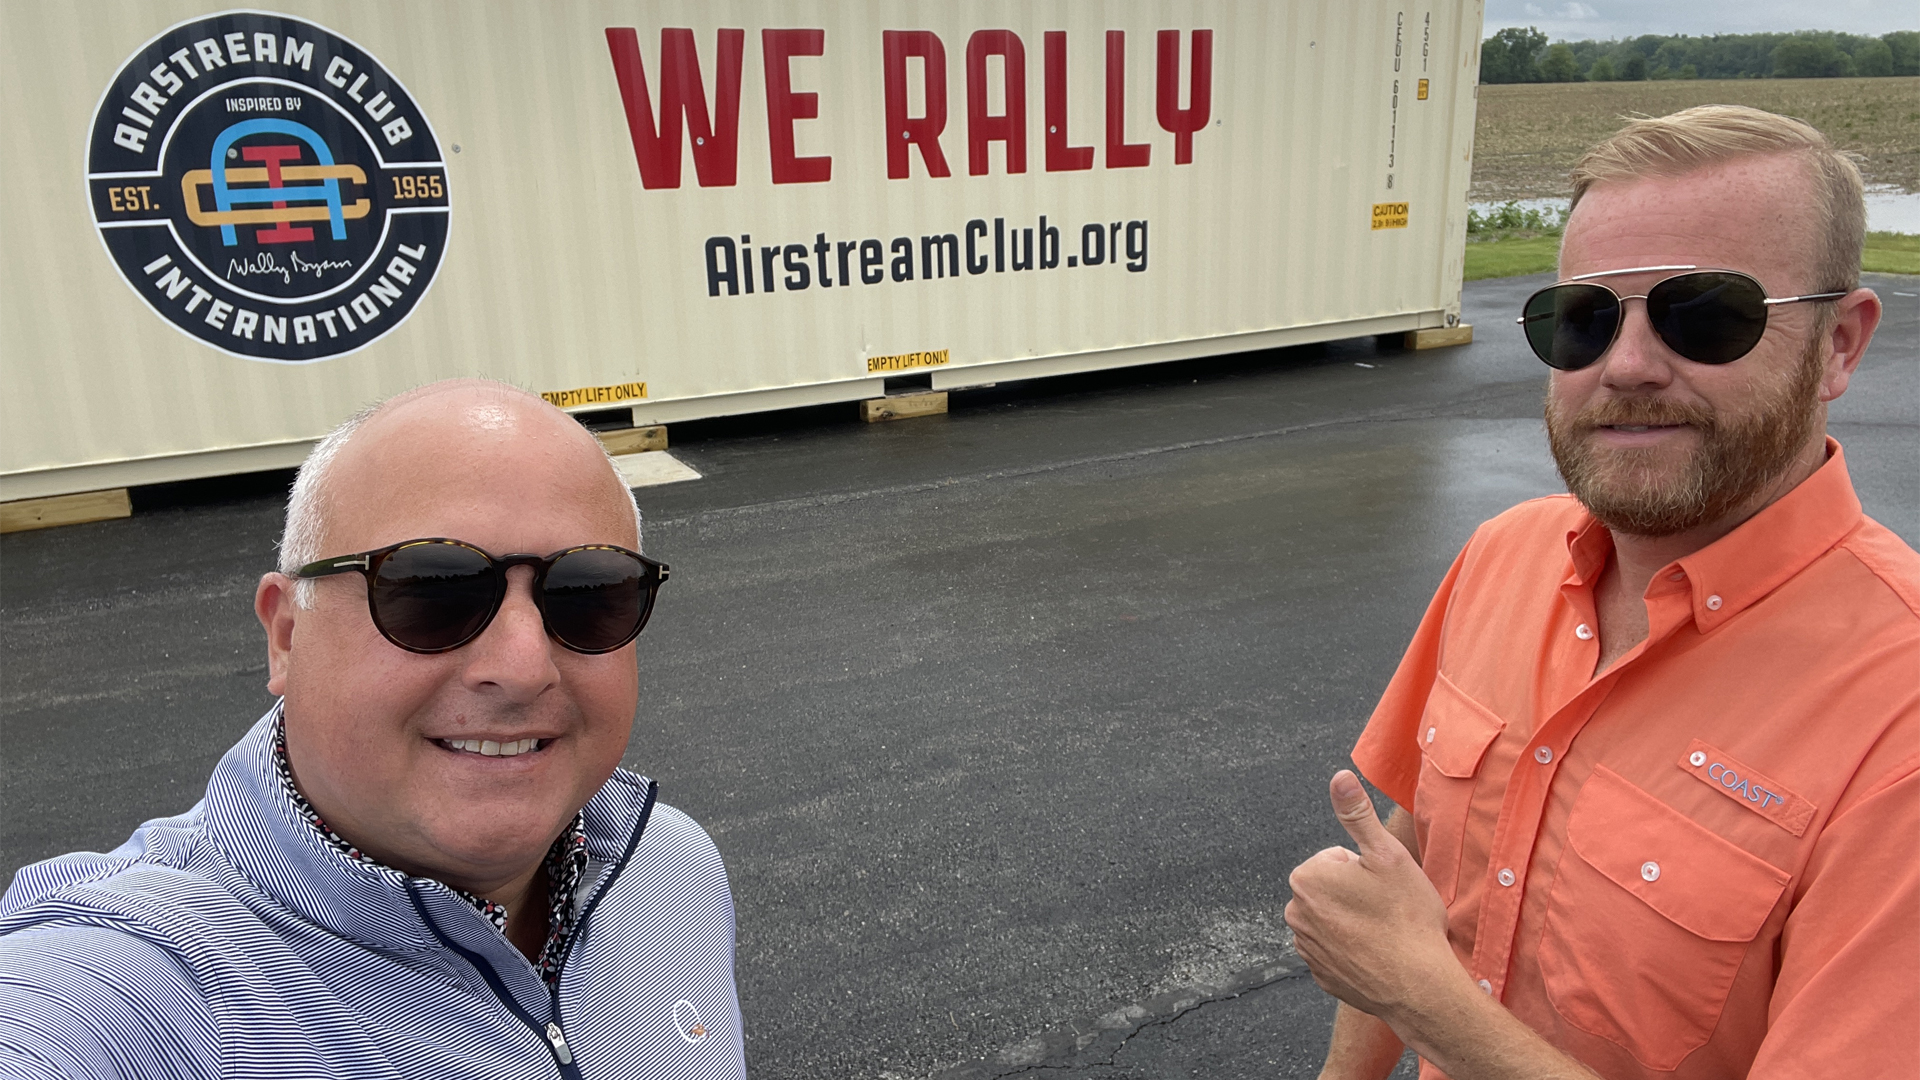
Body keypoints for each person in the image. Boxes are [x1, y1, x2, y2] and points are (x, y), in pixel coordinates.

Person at [1285, 106, 1916, 1079]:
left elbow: (1402, 967)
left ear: (1840, 343)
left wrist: (1425, 1000)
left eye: (1706, 313)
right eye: (1581, 320)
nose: (1624, 366)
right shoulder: (1503, 555)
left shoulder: (1899, 714)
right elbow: (1407, 864)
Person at [0, 381, 746, 1078]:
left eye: (589, 592)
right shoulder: (137, 992)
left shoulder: (669, 869)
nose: (522, 667)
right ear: (287, 633)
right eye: (432, 588)